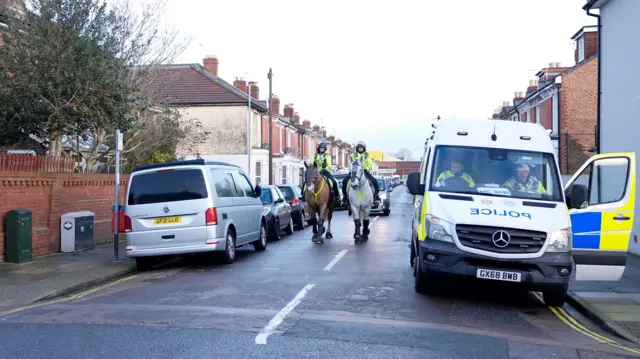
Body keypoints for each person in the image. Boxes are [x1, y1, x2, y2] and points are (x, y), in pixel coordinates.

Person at [342, 141, 380, 205]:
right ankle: (345, 197)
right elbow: (350, 164)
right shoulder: (353, 155)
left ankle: (375, 196)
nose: (360, 149)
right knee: (345, 181)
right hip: (354, 172)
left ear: (364, 148)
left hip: (364, 171)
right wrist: (352, 169)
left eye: (361, 148)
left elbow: (370, 164)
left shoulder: (367, 156)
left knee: (374, 181)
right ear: (357, 148)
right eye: (359, 148)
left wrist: (366, 169)